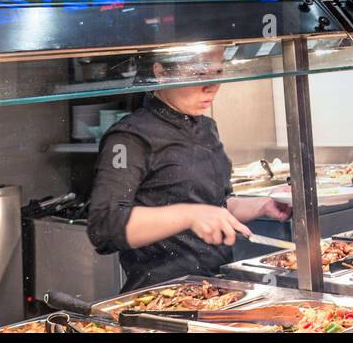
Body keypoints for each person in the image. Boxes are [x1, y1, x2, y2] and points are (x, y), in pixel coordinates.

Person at [87, 50, 291, 292]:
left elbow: (217, 205)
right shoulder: (129, 137)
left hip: (216, 289)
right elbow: (104, 227)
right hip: (160, 297)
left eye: (217, 71)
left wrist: (263, 205)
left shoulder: (206, 127)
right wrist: (189, 215)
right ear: (161, 73)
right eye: (199, 73)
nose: (212, 86)